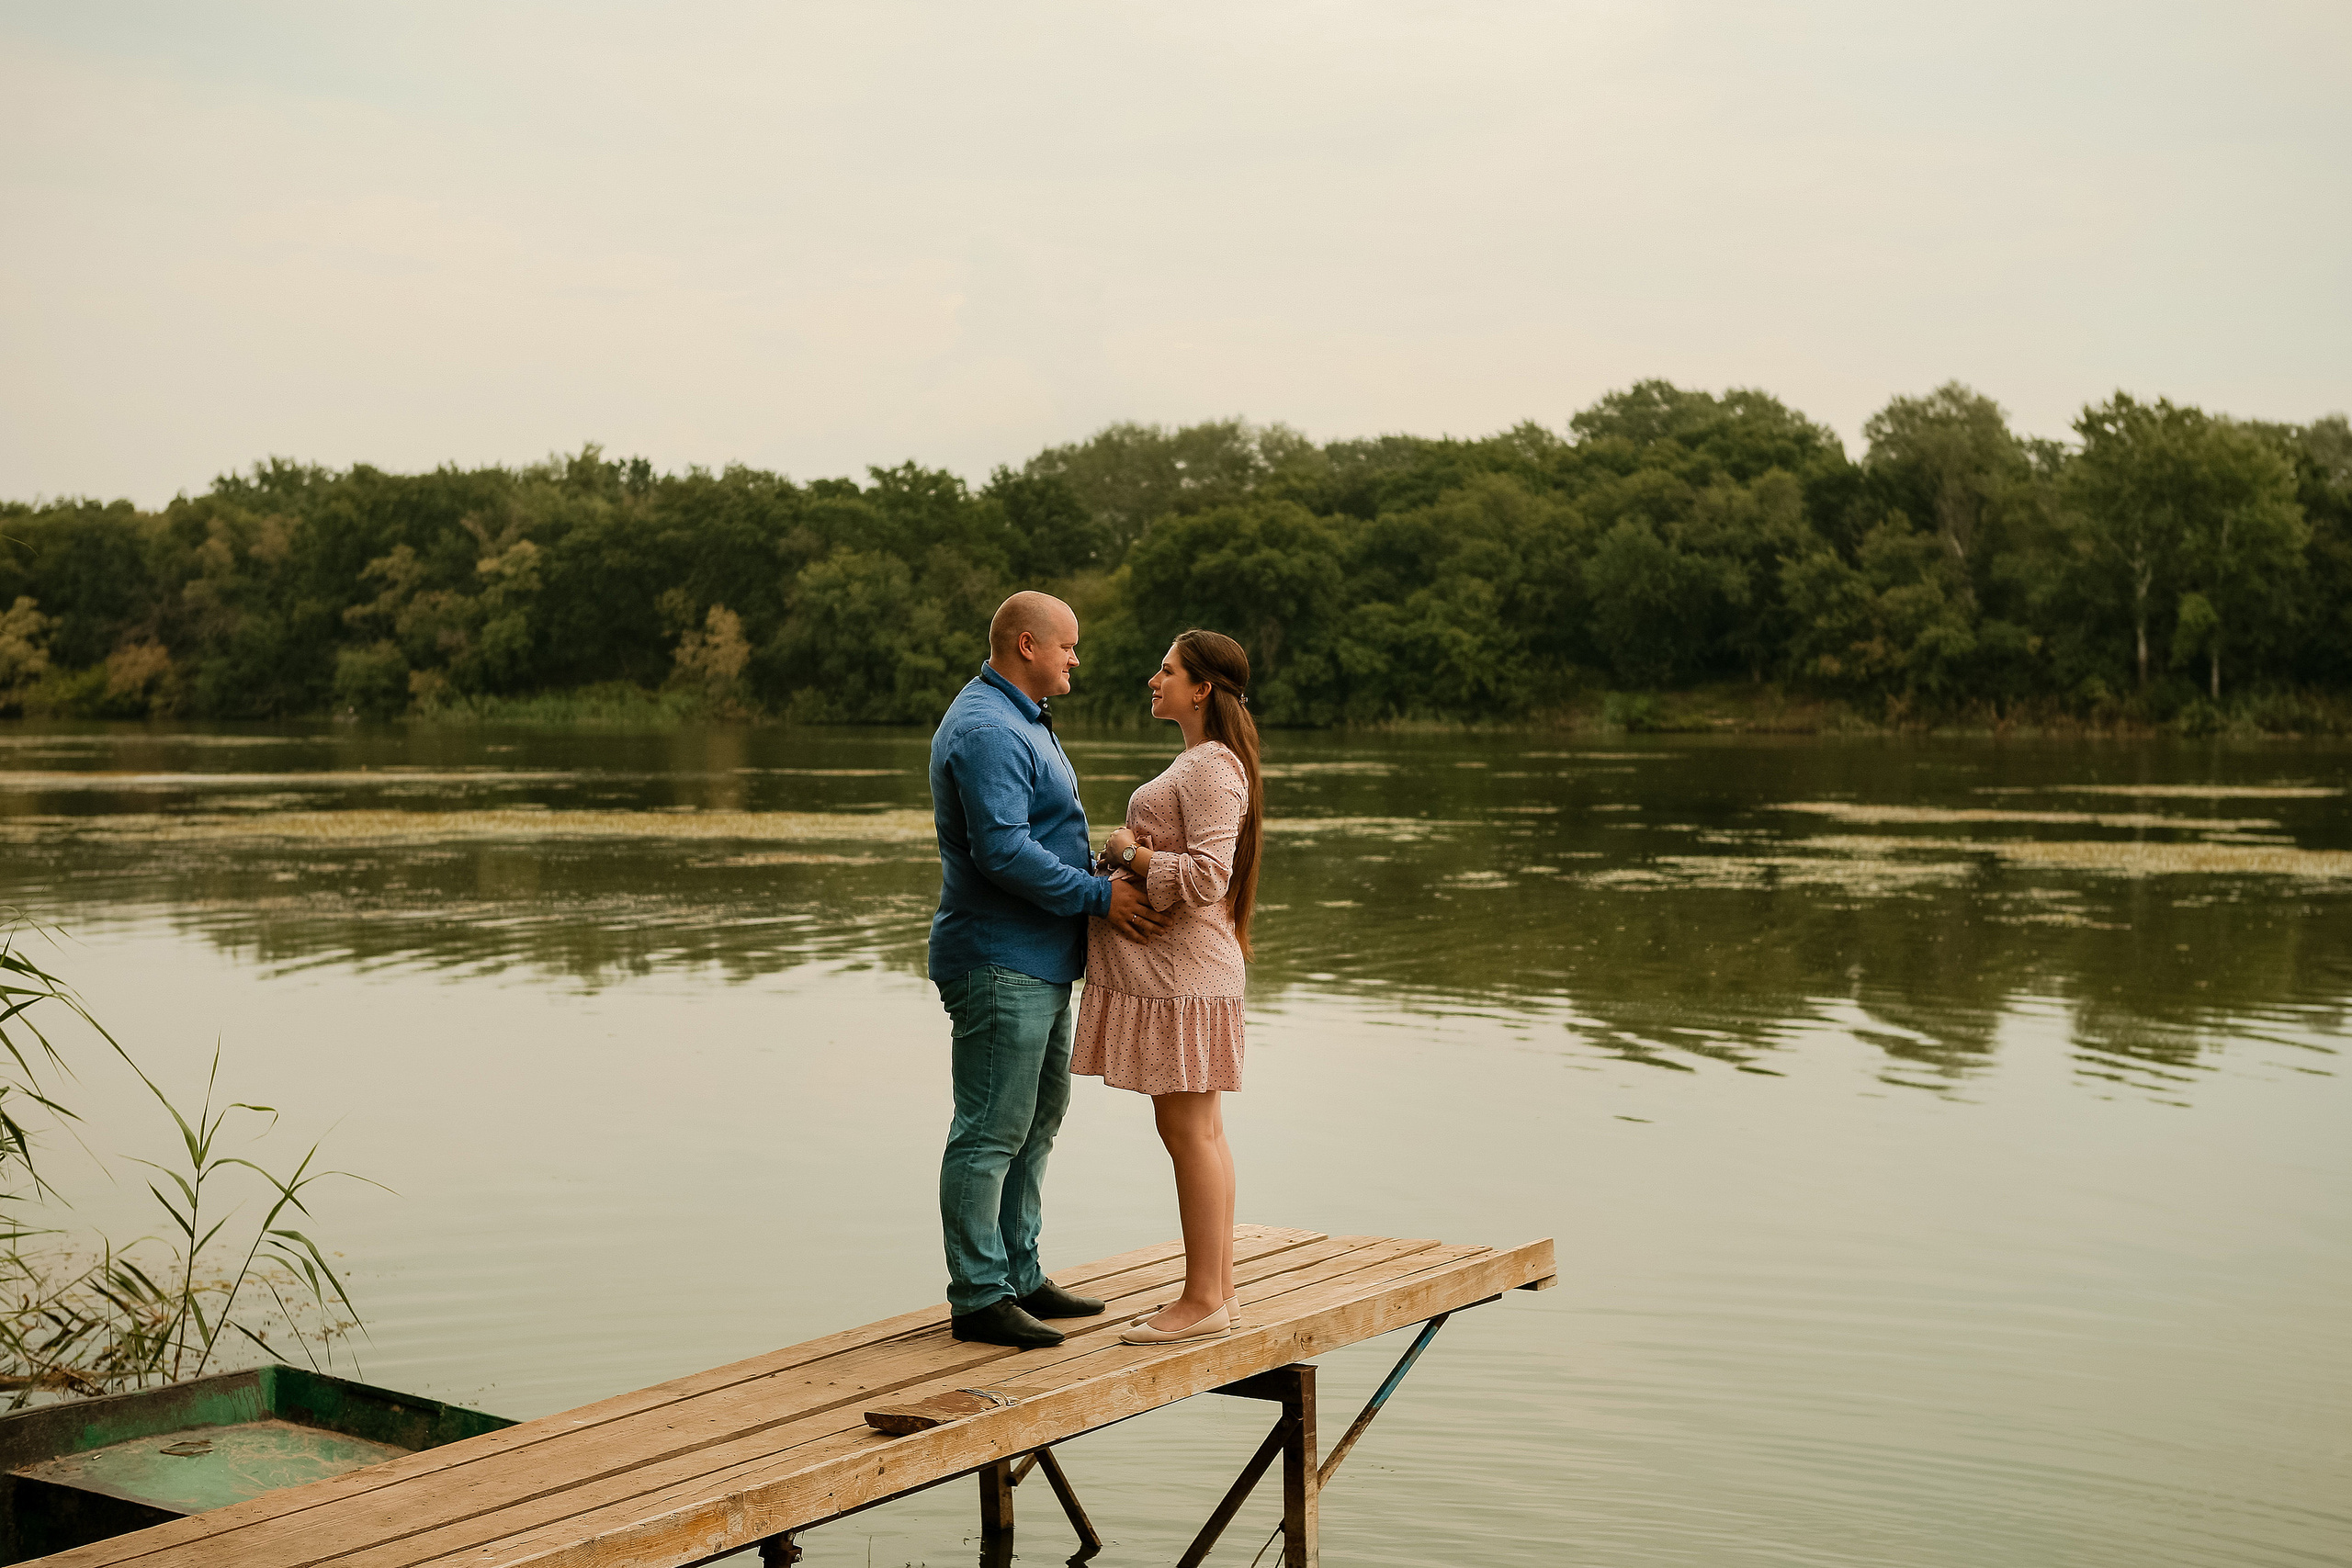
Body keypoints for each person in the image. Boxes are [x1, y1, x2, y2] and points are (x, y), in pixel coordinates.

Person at [929, 591, 1169, 1349]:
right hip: (997, 958)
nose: (1076, 658)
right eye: (1068, 645)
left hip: (1035, 958)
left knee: (1036, 1121)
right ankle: (978, 1297)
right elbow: (1002, 851)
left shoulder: (1021, 719)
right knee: (990, 1129)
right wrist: (1100, 895)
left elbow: (1035, 837)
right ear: (1027, 644)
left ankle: (1021, 1274)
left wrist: (1100, 864)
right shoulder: (987, 728)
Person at [1071, 628, 1265, 1346]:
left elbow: (1209, 877)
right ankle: (1221, 1293)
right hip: (1187, 975)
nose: (1155, 680)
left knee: (1189, 1133)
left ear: (1202, 688)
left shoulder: (1211, 767)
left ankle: (1203, 1297)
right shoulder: (1204, 762)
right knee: (1200, 1131)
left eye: (1168, 670)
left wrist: (1128, 851)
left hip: (1186, 978)